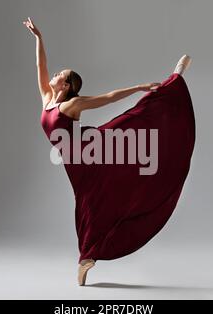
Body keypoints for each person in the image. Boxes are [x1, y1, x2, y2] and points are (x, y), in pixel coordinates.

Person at [23, 17, 195, 286]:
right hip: (75, 160)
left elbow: (108, 97)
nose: (54, 76)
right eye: (56, 74)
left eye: (60, 75)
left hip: (89, 151)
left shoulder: (72, 105)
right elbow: (40, 66)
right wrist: (39, 39)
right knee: (90, 203)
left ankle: (174, 80)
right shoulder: (47, 99)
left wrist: (137, 88)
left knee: (132, 125)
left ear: (66, 85)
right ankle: (89, 254)